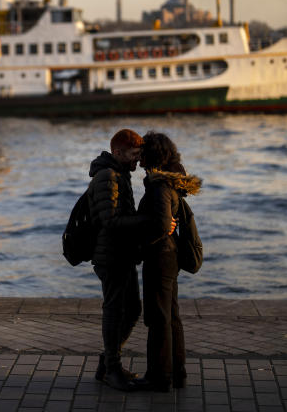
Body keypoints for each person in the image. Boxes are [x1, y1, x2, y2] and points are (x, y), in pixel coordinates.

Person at [135, 131, 201, 392]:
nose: (139, 159)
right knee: (171, 316)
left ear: (152, 155)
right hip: (169, 256)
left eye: (143, 153)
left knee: (159, 318)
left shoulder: (160, 184)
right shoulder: (169, 182)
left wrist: (141, 244)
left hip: (160, 256)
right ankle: (177, 373)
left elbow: (162, 224)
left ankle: (159, 377)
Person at [86, 128, 147, 391]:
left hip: (122, 254)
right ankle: (111, 369)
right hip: (111, 257)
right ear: (117, 152)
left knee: (132, 309)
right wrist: (148, 221)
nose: (138, 161)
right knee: (114, 311)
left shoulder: (120, 174)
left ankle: (107, 364)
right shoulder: (107, 176)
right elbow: (109, 220)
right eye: (134, 155)